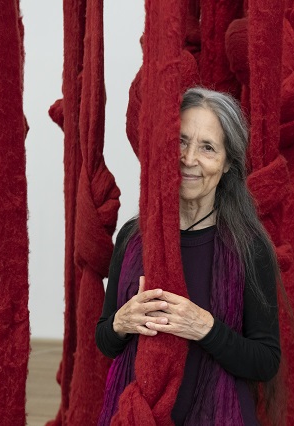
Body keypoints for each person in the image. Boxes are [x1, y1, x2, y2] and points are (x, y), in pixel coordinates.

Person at [95, 87, 284, 425]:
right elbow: (106, 341)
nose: (189, 158)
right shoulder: (133, 237)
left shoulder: (249, 247)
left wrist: (205, 327)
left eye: (207, 147)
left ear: (228, 164)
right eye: (181, 141)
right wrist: (121, 324)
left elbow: (266, 360)